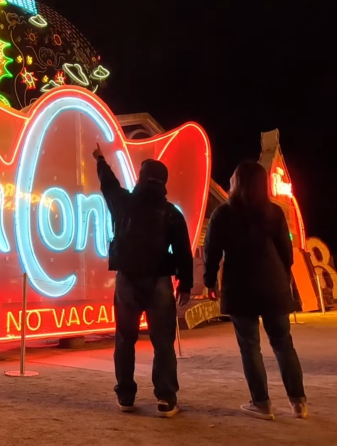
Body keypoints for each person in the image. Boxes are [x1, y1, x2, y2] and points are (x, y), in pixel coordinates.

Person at [93, 144, 193, 418]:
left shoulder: (124, 203)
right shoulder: (171, 212)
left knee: (125, 339)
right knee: (163, 342)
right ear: (164, 182)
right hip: (159, 280)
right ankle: (166, 399)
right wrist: (185, 283)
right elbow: (183, 251)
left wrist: (100, 159)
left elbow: (108, 185)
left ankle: (125, 396)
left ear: (140, 177)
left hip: (126, 279)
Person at [203, 161, 308, 420]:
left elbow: (212, 251)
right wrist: (283, 276)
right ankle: (299, 403)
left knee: (250, 346)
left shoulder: (223, 214)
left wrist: (210, 281)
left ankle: (262, 403)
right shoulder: (273, 212)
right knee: (284, 344)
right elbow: (286, 251)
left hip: (240, 287)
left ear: (234, 183)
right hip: (273, 285)